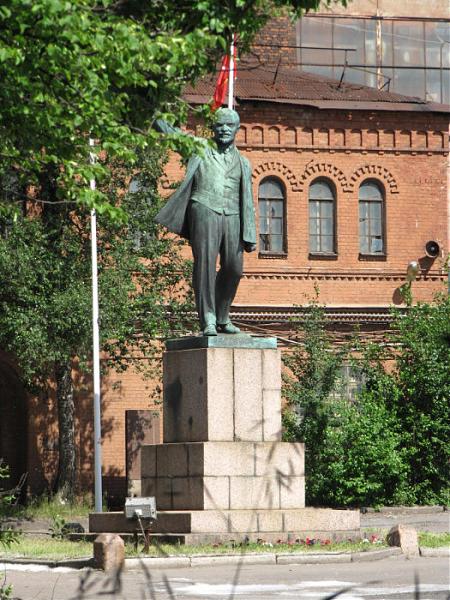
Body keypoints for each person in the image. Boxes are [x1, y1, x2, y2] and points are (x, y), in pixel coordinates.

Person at [154, 108, 256, 336]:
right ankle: (208, 319)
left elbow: (247, 200)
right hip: (204, 207)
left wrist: (250, 233)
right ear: (212, 128)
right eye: (220, 125)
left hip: (233, 215)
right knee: (206, 265)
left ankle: (222, 316)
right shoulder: (199, 147)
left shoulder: (243, 162)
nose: (224, 130)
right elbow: (171, 133)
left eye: (230, 126)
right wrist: (151, 109)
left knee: (234, 268)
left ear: (237, 129)